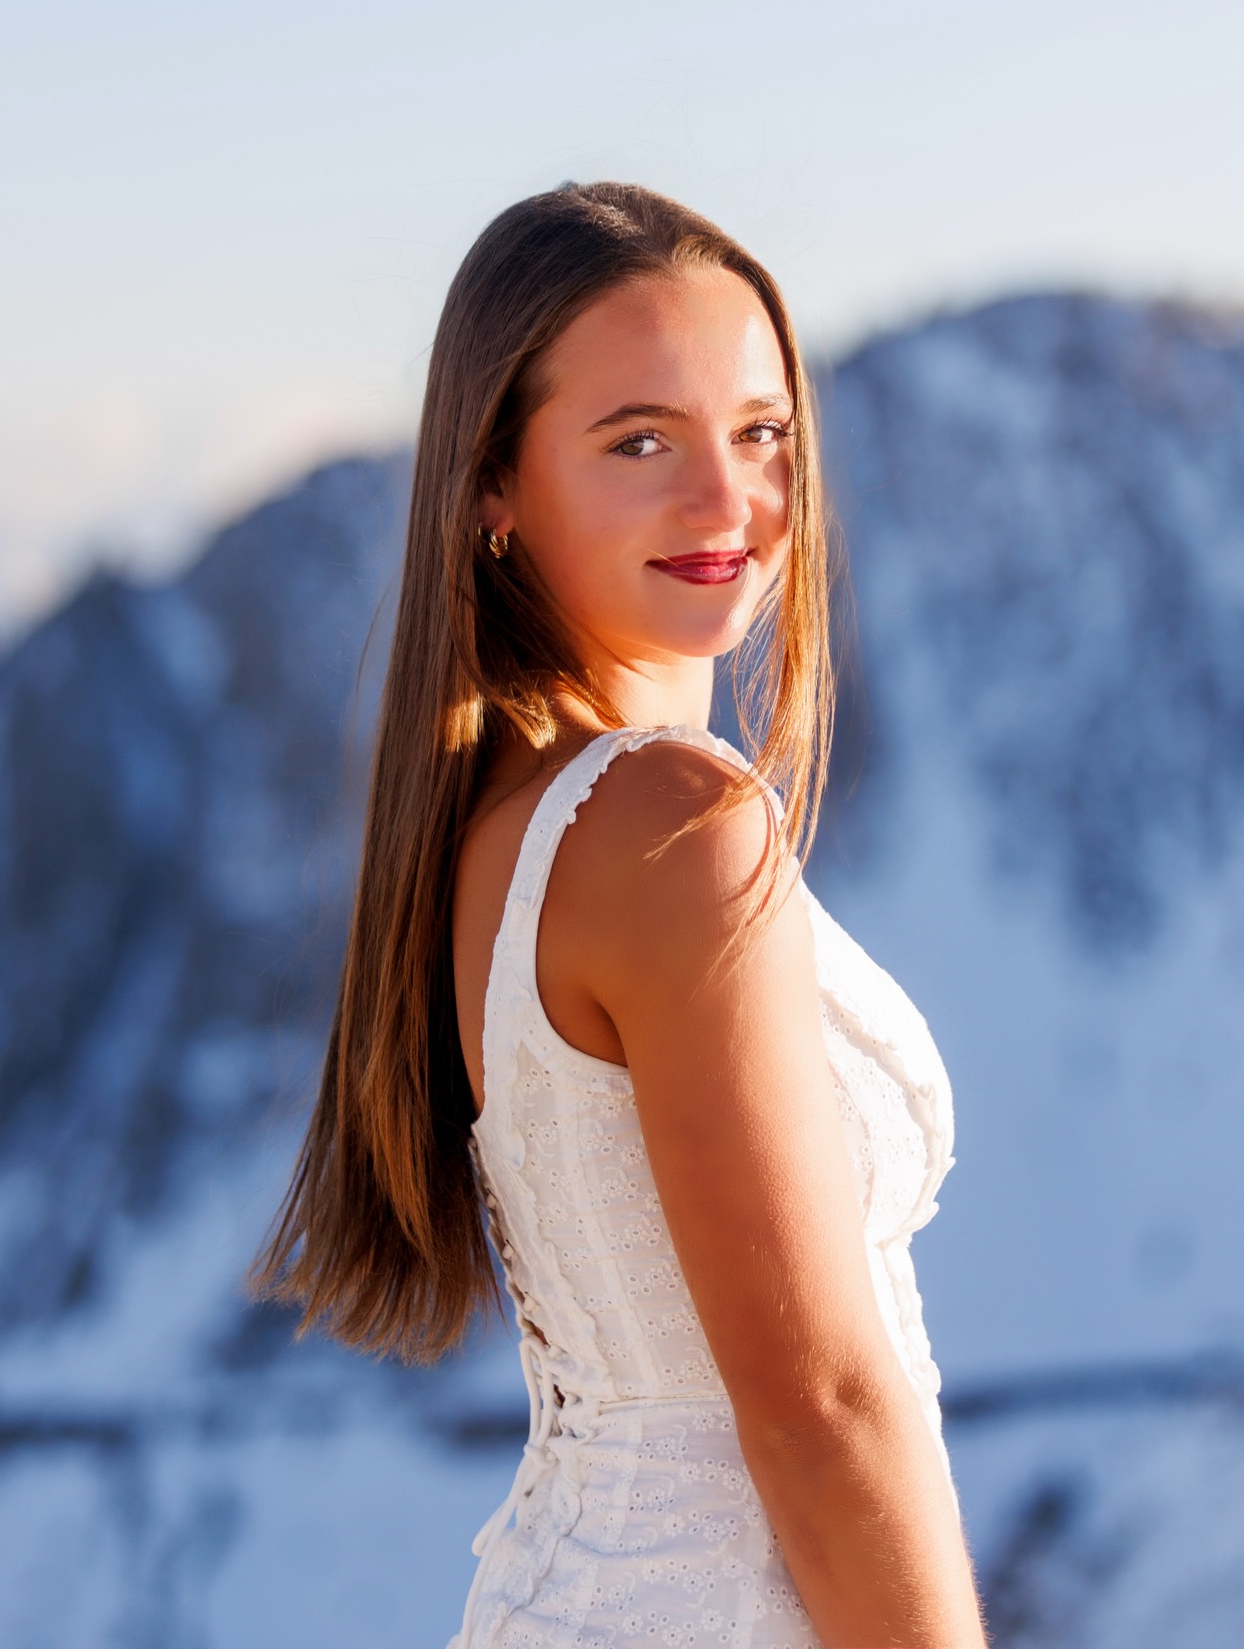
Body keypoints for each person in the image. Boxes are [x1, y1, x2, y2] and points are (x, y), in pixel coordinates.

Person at [254, 182, 985, 1647]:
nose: (729, 502)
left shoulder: (514, 815)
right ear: (494, 492)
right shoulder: (668, 831)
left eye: (761, 433)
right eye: (641, 439)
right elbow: (824, 1410)